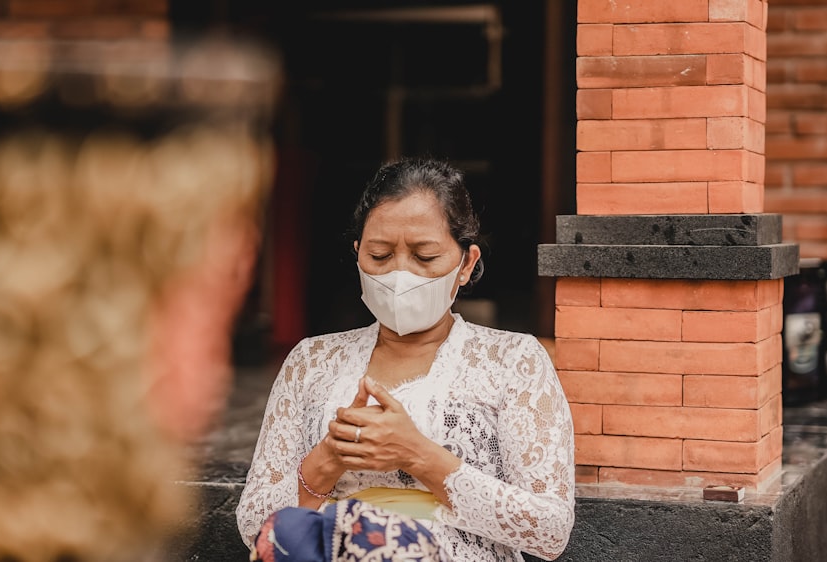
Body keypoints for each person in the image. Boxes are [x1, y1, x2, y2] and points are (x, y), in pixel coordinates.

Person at [236, 158, 575, 561]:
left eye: (424, 257)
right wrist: (327, 459)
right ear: (358, 254)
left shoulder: (513, 361)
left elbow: (550, 531)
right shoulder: (311, 361)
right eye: (380, 256)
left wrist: (418, 455)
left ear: (466, 263)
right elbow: (252, 526)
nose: (400, 274)